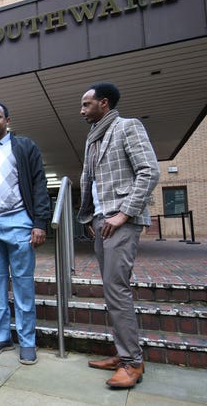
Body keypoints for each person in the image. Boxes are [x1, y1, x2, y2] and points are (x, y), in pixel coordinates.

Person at [78, 82, 160, 388]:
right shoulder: (93, 138)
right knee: (112, 291)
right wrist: (90, 216)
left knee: (118, 290)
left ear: (104, 102)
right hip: (102, 222)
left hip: (121, 221)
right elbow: (91, 179)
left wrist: (124, 213)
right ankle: (124, 353)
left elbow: (149, 171)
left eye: (87, 104)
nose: (82, 110)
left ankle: (132, 363)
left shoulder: (128, 127)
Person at [0, 101, 50, 365]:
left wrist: (40, 222)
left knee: (23, 286)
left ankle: (27, 341)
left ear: (8, 120)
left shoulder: (25, 146)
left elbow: (39, 184)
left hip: (20, 224)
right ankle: (2, 336)